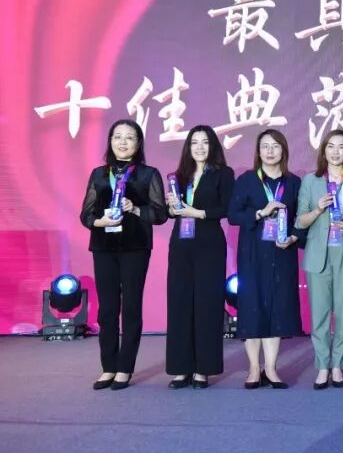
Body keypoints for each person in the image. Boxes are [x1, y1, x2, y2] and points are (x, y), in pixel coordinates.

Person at [80, 119, 167, 390]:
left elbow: (160, 214)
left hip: (135, 248)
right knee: (107, 309)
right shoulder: (98, 174)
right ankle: (108, 367)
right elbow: (85, 214)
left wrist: (136, 209)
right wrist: (99, 222)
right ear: (110, 141)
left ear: (138, 143)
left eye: (129, 137)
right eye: (117, 136)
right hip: (103, 247)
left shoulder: (148, 174)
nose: (122, 142)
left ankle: (124, 368)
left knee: (130, 307)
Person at [227, 129, 303, 389]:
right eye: (265, 146)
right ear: (258, 151)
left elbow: (300, 219)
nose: (270, 151)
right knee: (252, 307)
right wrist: (260, 212)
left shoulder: (293, 183)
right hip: (252, 253)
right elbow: (233, 215)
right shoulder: (246, 180)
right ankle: (253, 368)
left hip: (282, 253)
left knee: (277, 308)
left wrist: (293, 237)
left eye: (275, 146)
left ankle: (270, 368)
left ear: (284, 150)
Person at [164, 126, 234, 389]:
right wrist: (172, 208)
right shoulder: (179, 176)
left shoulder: (223, 173)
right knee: (179, 303)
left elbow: (226, 208)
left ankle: (203, 369)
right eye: (195, 142)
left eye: (205, 142)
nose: (200, 147)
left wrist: (197, 212)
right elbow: (172, 212)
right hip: (181, 245)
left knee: (207, 304)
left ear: (213, 146)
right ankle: (181, 368)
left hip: (209, 244)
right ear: (188, 147)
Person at [296, 129, 343, 390]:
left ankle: (338, 365)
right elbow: (300, 221)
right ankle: (323, 365)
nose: (336, 152)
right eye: (331, 146)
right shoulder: (311, 181)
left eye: (341, 147)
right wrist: (318, 209)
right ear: (323, 150)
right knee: (319, 314)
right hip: (318, 255)